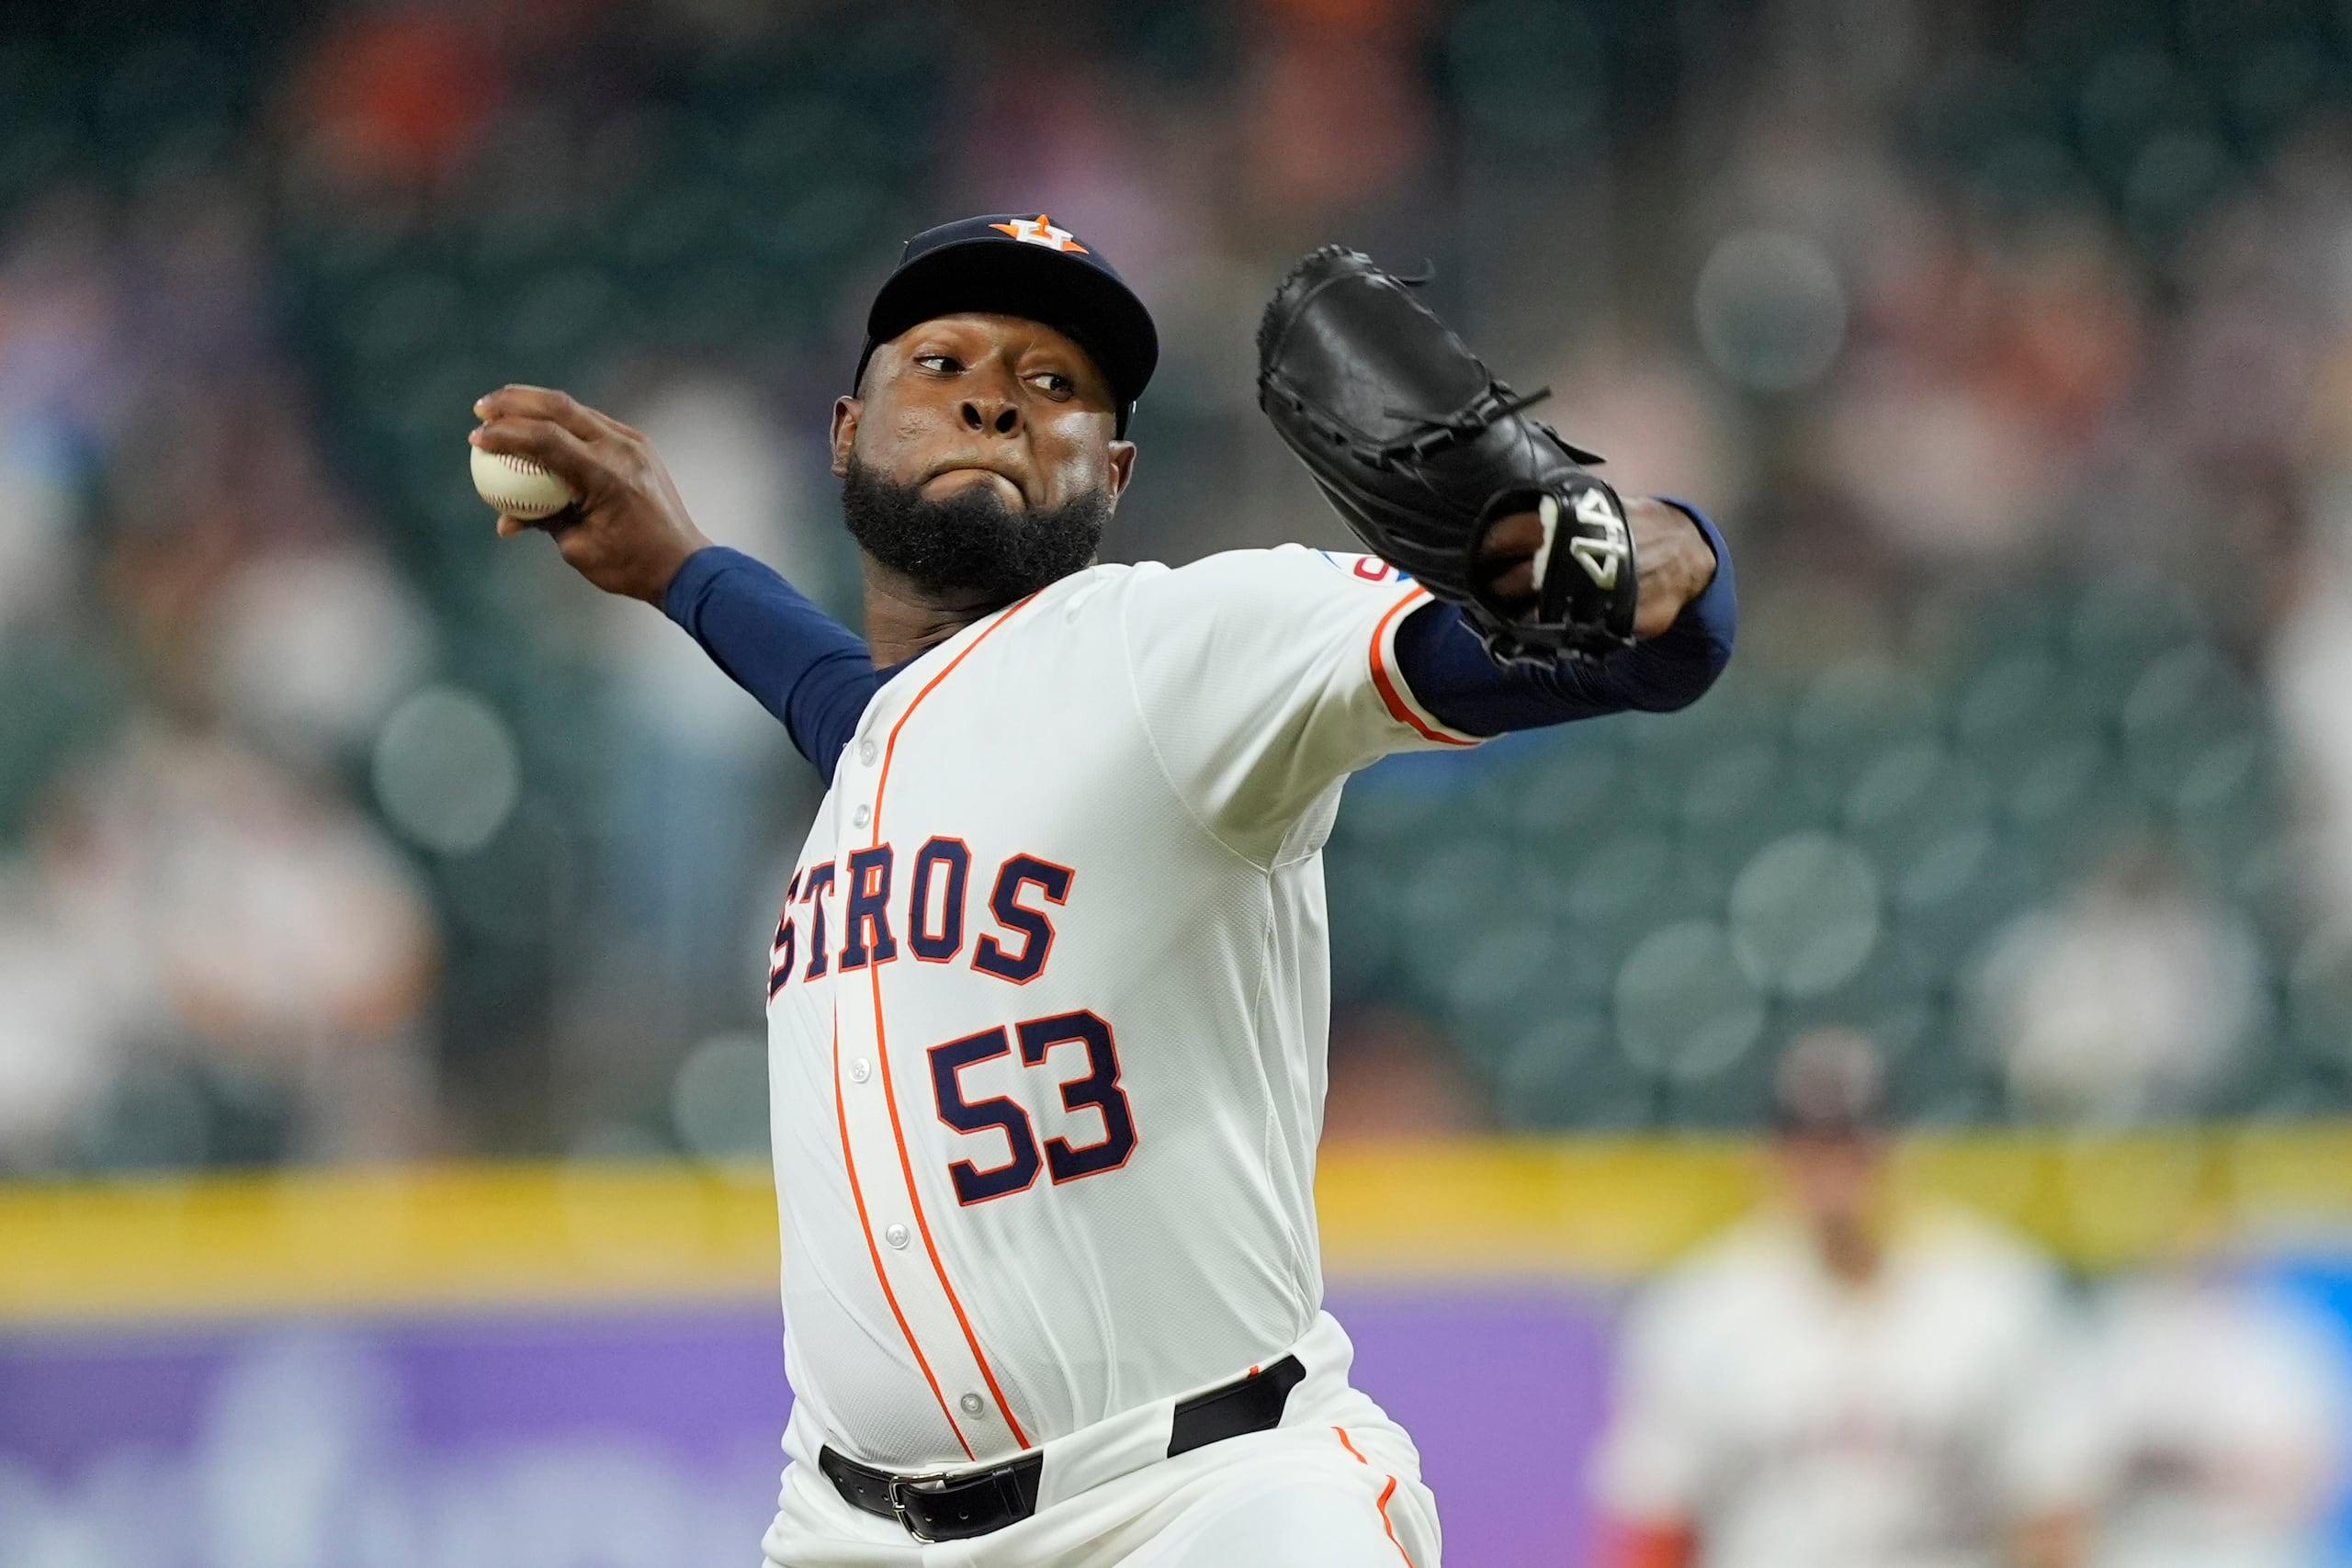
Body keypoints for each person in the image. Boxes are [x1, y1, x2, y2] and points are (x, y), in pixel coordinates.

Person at [468, 212, 1736, 1568]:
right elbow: (850, 700)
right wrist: (682, 568)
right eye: (942, 357)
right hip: (849, 1526)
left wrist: (1575, 547)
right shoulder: (885, 744)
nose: (994, 392)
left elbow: (1655, 640)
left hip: (1208, 1504)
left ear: (1114, 470)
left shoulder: (1180, 650)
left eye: (1055, 383)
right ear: (844, 431)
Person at [1593, 1029, 2104, 1568]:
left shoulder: (2000, 1291)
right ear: (1767, 1155)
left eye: (1852, 1143)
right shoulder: (1698, 1308)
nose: (1834, 1169)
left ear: (1898, 1149)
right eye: (1810, 1144)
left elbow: (2052, 1514)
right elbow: (1658, 1520)